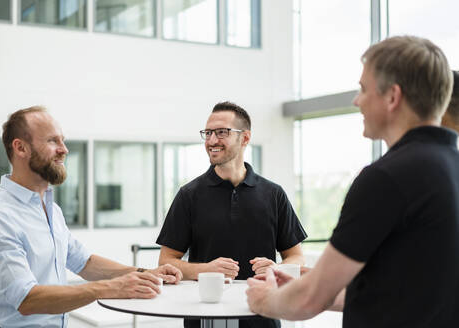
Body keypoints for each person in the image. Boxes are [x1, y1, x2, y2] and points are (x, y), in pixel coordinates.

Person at [246, 36, 459, 328]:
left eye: (363, 89)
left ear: (392, 97)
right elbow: (405, 290)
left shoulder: (387, 178)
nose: (357, 100)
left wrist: (264, 300)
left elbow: (310, 299)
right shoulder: (448, 167)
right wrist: (301, 284)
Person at [0, 106, 183, 328]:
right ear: (20, 148)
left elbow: (84, 262)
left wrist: (143, 273)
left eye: (63, 140)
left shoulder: (51, 209)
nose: (64, 150)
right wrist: (113, 288)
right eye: (52, 141)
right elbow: (27, 299)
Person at [156, 101, 307, 328]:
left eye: (221, 132)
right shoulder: (189, 195)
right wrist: (205, 270)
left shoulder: (274, 194)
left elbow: (296, 256)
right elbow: (166, 262)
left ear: (245, 138)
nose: (212, 141)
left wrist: (277, 269)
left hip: (263, 316)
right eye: (208, 133)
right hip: (204, 319)